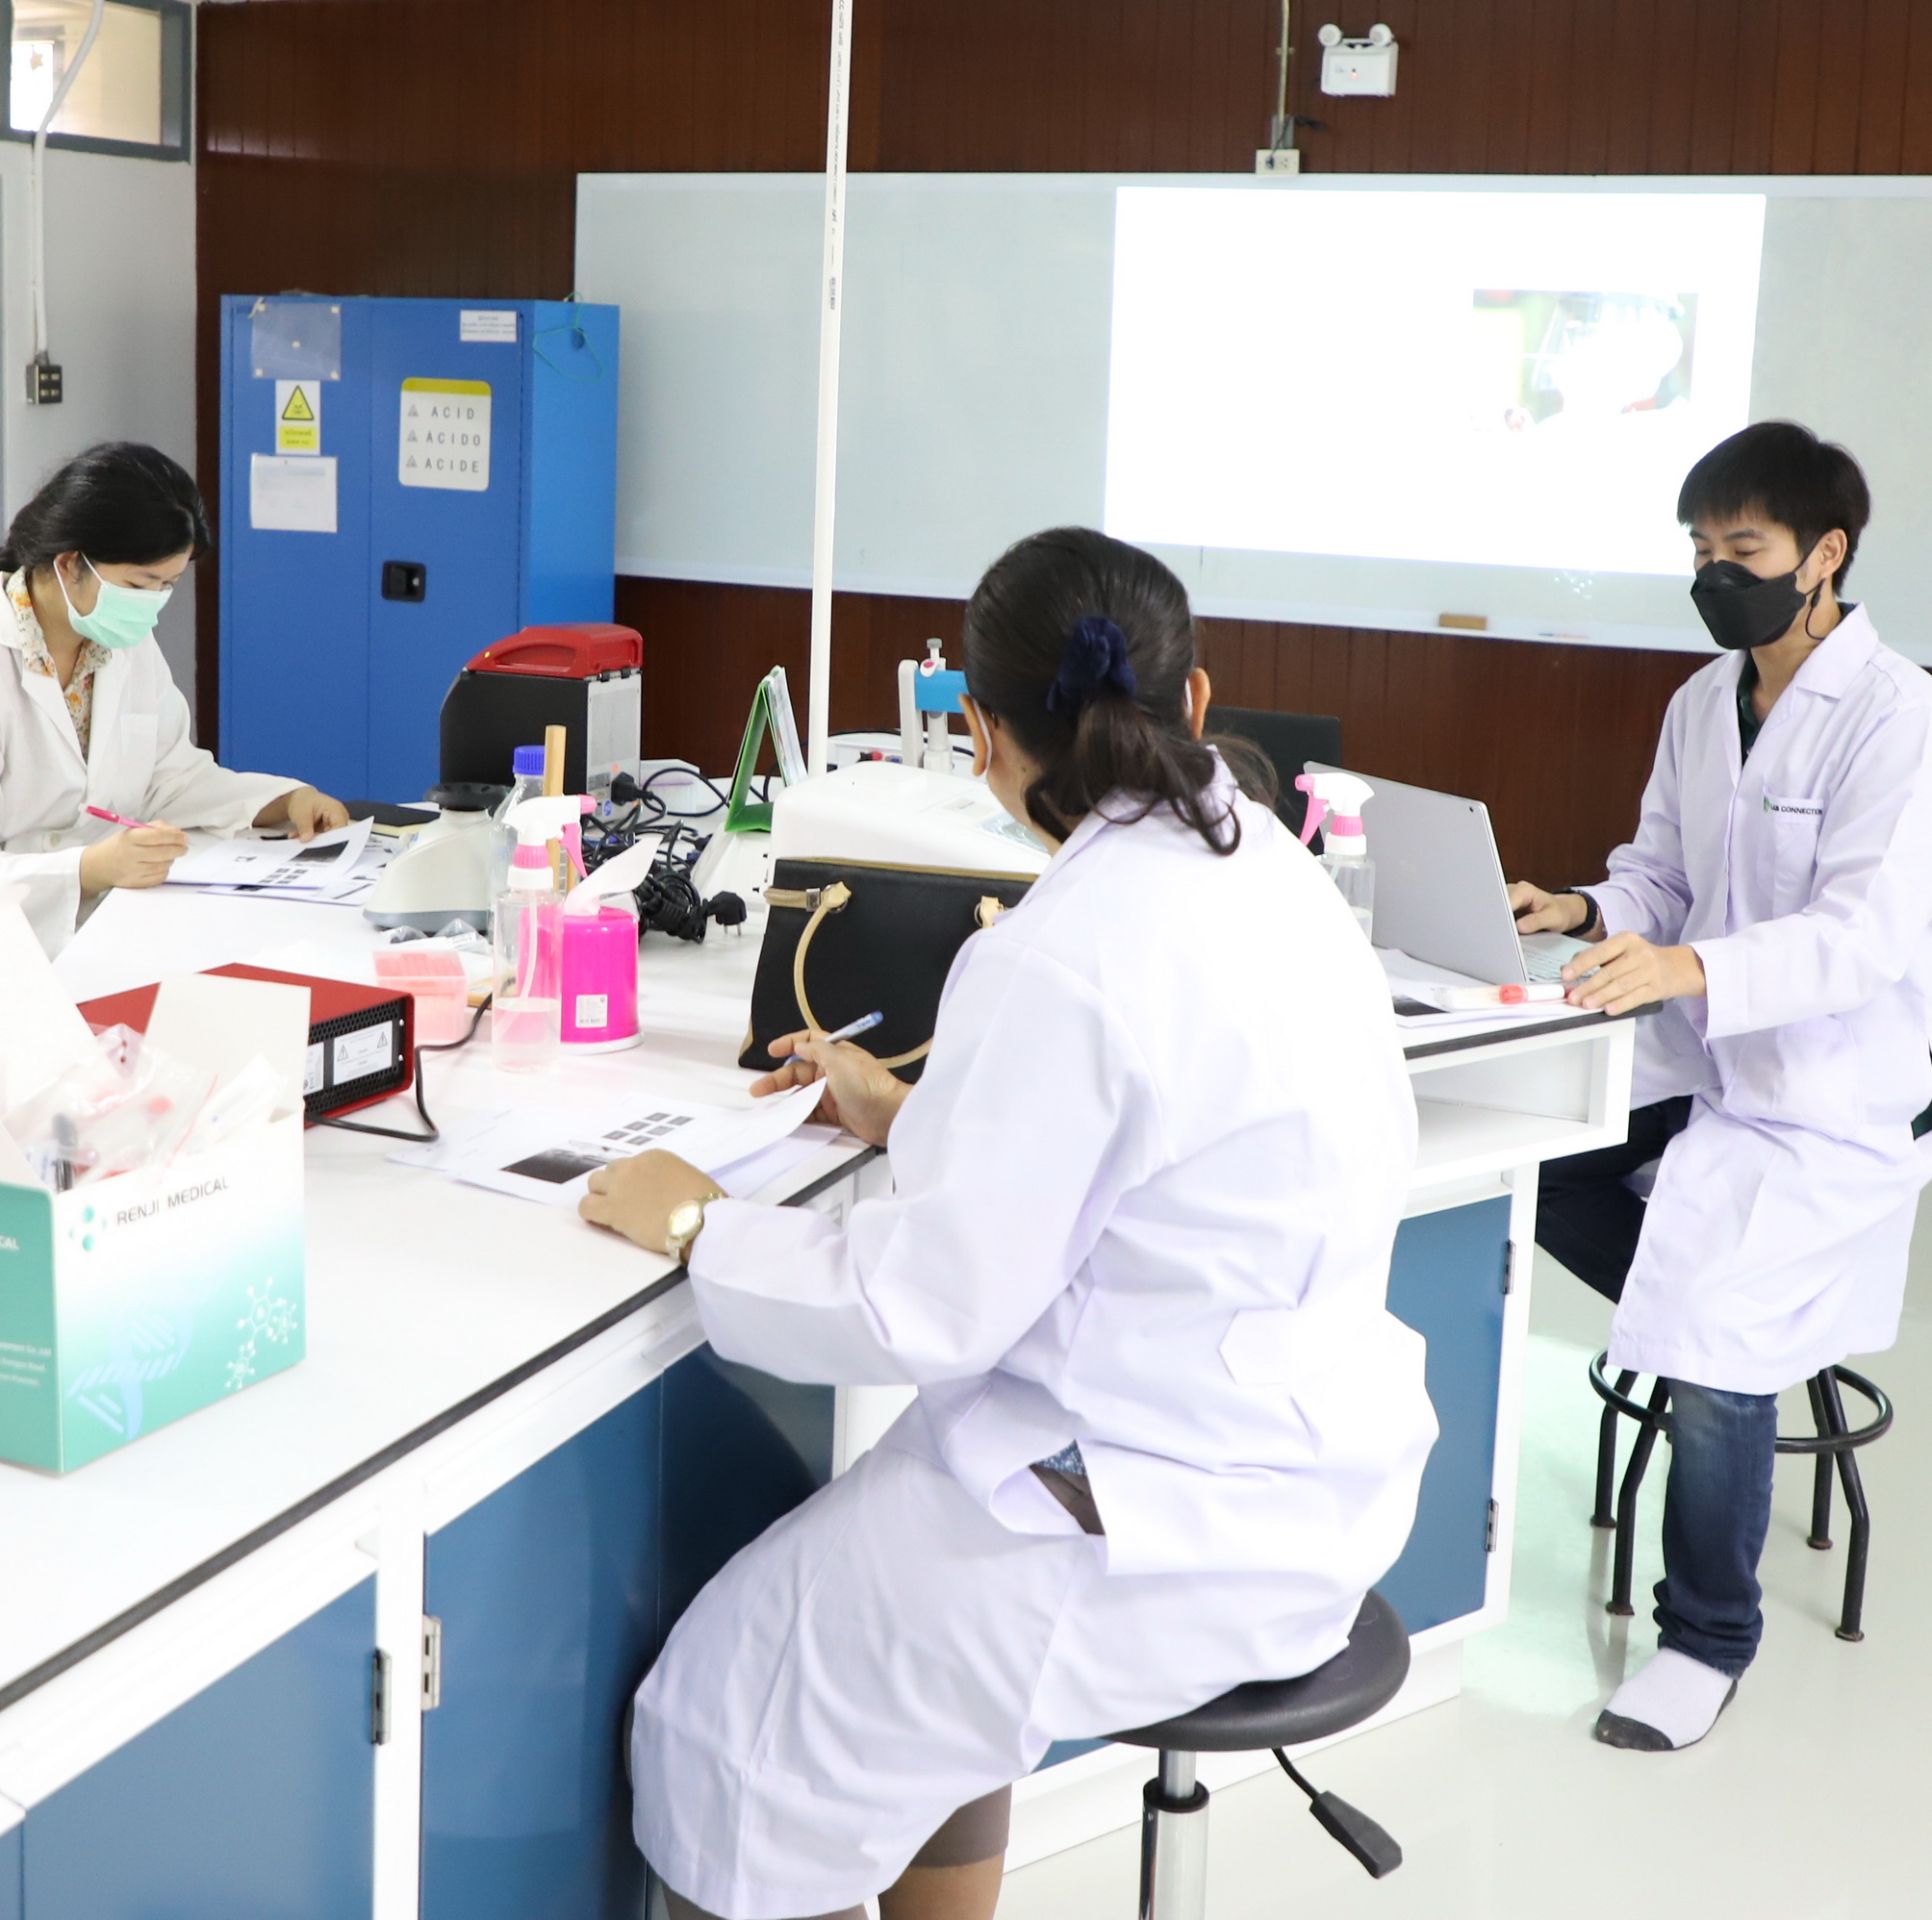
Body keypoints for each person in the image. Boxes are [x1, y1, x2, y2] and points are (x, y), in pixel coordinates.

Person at [575, 526, 1433, 1920]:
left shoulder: (1062, 950)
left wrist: (700, 1226)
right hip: (1304, 1474)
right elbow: (1161, 1165)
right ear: (1196, 698)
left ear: (975, 734)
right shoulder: (1273, 871)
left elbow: (922, 1308)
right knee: (902, 1650)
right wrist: (917, 1115)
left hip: (1145, 1516)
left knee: (731, 1712)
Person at [1505, 419, 1932, 1754]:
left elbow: (1860, 941)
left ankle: (1707, 1638)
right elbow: (1662, 873)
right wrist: (1585, 907)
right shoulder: (1701, 703)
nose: (1715, 573)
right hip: (1718, 1057)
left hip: (1851, 1087)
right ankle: (1716, 1308)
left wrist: (1682, 966)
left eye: (1744, 547)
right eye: (1699, 549)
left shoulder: (1904, 726)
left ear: (1825, 556)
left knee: (1716, 1323)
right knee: (1524, 1160)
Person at [0, 442, 348, 956]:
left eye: (167, 586)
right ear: (69, 564)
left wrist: (284, 801)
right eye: (140, 584)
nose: (153, 605)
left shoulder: (121, 644)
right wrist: (92, 868)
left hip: (73, 924)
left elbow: (170, 780)